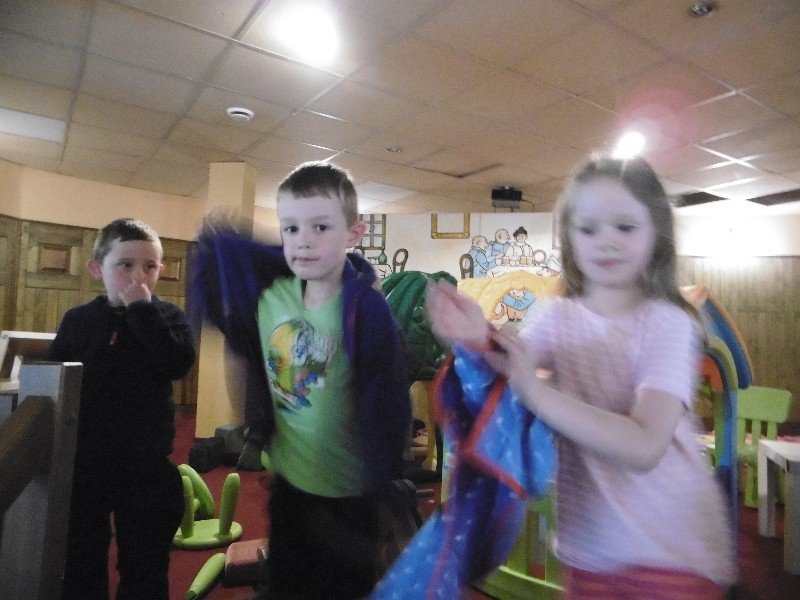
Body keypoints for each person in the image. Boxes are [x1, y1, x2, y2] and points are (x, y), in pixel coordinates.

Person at [426, 156, 736, 599]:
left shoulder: (667, 323)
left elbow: (645, 446)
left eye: (625, 227)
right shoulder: (557, 317)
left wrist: (536, 392)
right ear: (570, 238)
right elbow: (508, 365)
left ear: (657, 233)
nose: (606, 241)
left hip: (670, 547)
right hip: (588, 547)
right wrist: (475, 335)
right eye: (588, 229)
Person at [190, 161, 411, 599]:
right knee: (287, 585)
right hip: (288, 485)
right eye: (291, 228)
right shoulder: (270, 298)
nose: (303, 240)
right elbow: (226, 302)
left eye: (320, 227)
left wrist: (386, 476)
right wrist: (217, 247)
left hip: (350, 497)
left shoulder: (366, 311)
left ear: (353, 234)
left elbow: (389, 400)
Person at [48, 218, 196, 600]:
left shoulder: (168, 317)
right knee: (81, 557)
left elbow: (177, 363)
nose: (139, 277)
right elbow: (54, 378)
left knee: (146, 563)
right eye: (125, 265)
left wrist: (142, 311)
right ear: (97, 269)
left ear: (161, 270)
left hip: (146, 461)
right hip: (87, 460)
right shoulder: (79, 321)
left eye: (150, 266)